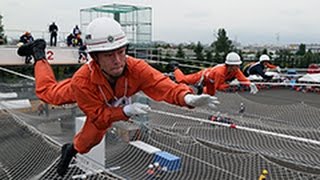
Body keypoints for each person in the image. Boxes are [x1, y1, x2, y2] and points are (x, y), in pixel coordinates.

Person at [17, 17, 220, 176]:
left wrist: (186, 98)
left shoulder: (135, 67)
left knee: (88, 142)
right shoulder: (82, 81)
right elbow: (98, 116)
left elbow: (161, 84)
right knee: (47, 93)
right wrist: (123, 111)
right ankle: (38, 53)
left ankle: (71, 149)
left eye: (121, 52)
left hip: (108, 103)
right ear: (95, 58)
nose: (117, 60)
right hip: (91, 93)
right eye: (108, 55)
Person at [169, 52, 259, 95]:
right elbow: (219, 87)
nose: (237, 67)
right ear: (229, 65)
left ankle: (201, 89)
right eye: (235, 65)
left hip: (210, 81)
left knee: (210, 94)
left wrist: (249, 83)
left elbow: (242, 78)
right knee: (183, 80)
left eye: (238, 65)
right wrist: (231, 86)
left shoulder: (235, 70)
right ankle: (175, 68)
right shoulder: (220, 72)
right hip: (203, 76)